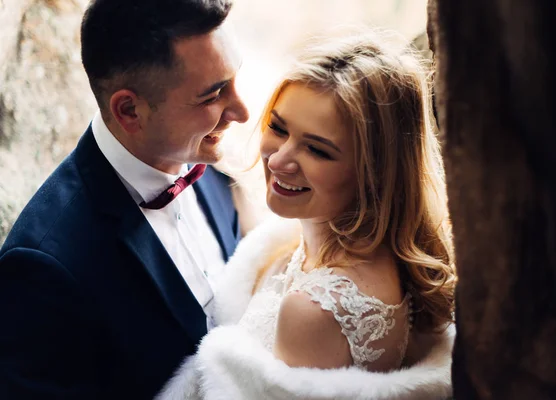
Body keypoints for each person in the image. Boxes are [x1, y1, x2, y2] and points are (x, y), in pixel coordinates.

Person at [158, 30, 456, 400]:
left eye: (317, 150)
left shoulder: (315, 310)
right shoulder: (337, 244)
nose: (279, 159)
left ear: (376, 172)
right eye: (278, 128)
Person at [0, 0, 249, 398]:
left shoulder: (212, 170)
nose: (241, 111)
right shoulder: (43, 269)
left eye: (235, 80)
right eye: (212, 96)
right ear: (129, 110)